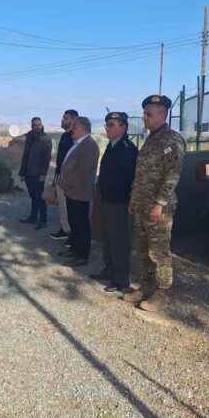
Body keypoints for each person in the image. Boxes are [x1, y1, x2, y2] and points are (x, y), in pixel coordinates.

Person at [123, 95, 185, 314]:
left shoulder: (172, 140)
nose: (144, 117)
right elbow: (140, 174)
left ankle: (161, 292)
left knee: (158, 252)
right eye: (144, 113)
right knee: (142, 249)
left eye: (148, 114)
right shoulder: (151, 139)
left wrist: (160, 203)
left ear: (162, 115)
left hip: (159, 206)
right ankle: (147, 286)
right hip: (142, 203)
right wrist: (133, 198)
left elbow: (172, 175)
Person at [91, 112, 138, 293]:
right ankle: (109, 270)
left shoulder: (128, 148)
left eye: (111, 125)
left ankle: (121, 279)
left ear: (123, 127)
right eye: (107, 124)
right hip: (107, 200)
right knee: (108, 238)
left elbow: (132, 178)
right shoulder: (112, 146)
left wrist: (128, 199)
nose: (107, 128)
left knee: (119, 241)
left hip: (119, 202)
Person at [57, 117, 100, 267]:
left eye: (74, 127)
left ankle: (82, 255)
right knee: (74, 222)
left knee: (81, 224)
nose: (72, 129)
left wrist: (65, 183)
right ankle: (74, 250)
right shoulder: (78, 143)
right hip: (72, 191)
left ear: (83, 129)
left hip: (80, 191)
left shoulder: (89, 145)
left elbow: (83, 171)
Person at [18, 117, 52, 230]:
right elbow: (25, 156)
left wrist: (43, 174)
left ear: (41, 125)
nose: (37, 127)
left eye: (39, 125)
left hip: (38, 173)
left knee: (40, 197)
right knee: (33, 196)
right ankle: (33, 217)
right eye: (35, 125)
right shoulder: (29, 136)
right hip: (28, 172)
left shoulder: (46, 138)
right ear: (32, 126)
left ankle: (43, 220)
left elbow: (47, 158)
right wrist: (22, 173)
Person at [50, 109, 78, 241]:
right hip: (59, 176)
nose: (63, 120)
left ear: (74, 120)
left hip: (68, 179)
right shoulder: (64, 136)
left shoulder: (74, 137)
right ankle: (65, 229)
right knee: (62, 206)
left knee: (69, 207)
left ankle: (72, 234)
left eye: (66, 118)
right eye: (63, 117)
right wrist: (56, 176)